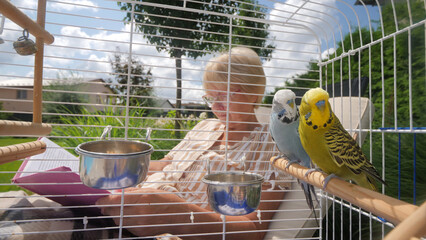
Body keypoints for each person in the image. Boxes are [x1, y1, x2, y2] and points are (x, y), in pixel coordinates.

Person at [96, 47, 291, 240]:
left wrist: (179, 214)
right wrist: (120, 167)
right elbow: (164, 164)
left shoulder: (272, 143)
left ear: (254, 92)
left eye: (224, 95)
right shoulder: (204, 126)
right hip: (124, 210)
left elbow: (252, 229)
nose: (215, 106)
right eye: (210, 97)